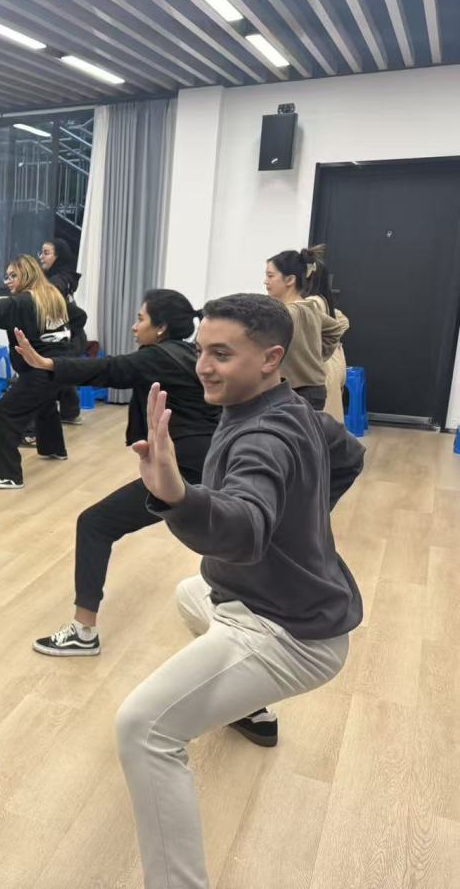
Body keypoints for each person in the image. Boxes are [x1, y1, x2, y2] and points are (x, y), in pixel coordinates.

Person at [115, 293, 364, 889]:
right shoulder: (291, 406)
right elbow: (350, 457)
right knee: (190, 591)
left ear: (272, 357)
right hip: (282, 604)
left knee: (144, 728)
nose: (203, 365)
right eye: (203, 350)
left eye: (222, 354)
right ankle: (248, 703)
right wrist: (302, 517)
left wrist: (178, 495)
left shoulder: (266, 435)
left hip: (292, 634)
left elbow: (246, 525)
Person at [17, 290, 220, 655]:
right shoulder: (187, 353)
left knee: (95, 523)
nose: (133, 325)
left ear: (160, 329)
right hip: (208, 464)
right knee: (220, 546)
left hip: (185, 470)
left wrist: (49, 365)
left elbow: (110, 369)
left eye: (141, 319)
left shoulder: (159, 356)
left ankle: (83, 631)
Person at [0, 255, 71, 490]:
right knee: (44, 405)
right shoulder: (53, 296)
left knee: (5, 412)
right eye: (7, 276)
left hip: (39, 371)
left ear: (28, 274)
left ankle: (8, 475)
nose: (8, 281)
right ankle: (54, 448)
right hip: (60, 368)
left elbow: (8, 306)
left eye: (13, 275)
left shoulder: (26, 299)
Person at [263, 246, 347, 411]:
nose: (265, 281)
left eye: (270, 276)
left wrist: (316, 355)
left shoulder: (287, 313)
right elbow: (336, 329)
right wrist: (317, 356)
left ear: (290, 280)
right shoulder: (309, 308)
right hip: (313, 390)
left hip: (295, 392)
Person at [39, 238, 88, 426]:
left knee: (60, 375)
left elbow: (52, 299)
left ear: (58, 256)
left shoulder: (59, 280)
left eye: (46, 252)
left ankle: (66, 414)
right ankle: (69, 413)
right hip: (67, 337)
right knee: (62, 375)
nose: (41, 257)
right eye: (41, 252)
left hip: (71, 338)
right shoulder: (56, 277)